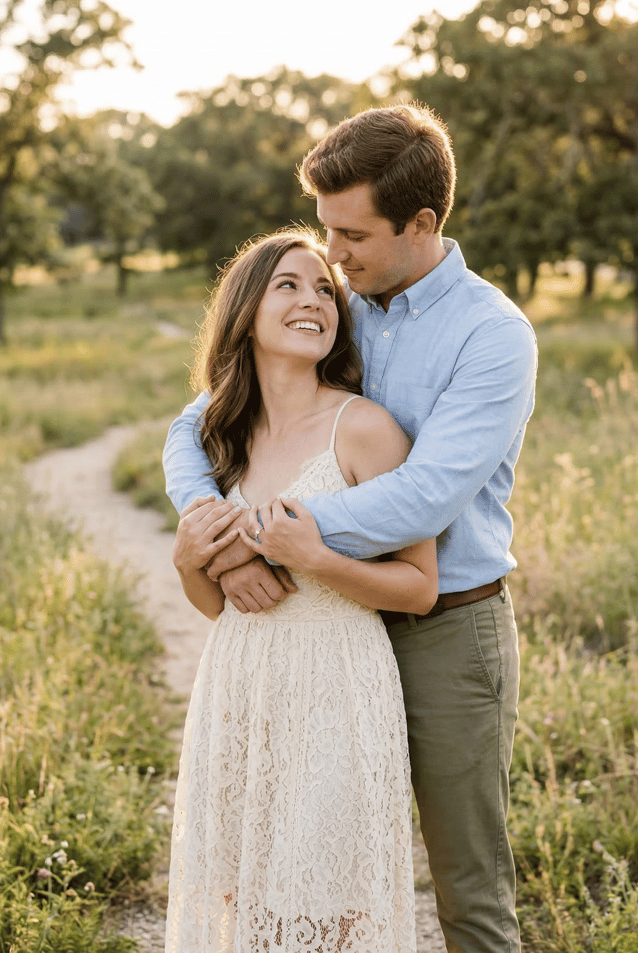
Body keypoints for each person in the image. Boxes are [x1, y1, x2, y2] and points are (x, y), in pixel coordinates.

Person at [164, 103, 538, 953]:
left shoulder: (492, 335)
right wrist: (208, 528)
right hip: (319, 636)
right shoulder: (342, 301)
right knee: (296, 865)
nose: (332, 257)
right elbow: (199, 423)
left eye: (352, 235)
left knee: (466, 887)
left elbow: (425, 498)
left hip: (446, 624)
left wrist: (269, 535)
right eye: (326, 234)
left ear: (421, 224)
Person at [164, 227, 439, 953]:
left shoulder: (366, 429)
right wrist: (193, 561)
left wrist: (314, 556)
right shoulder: (218, 438)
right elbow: (215, 607)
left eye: (325, 289)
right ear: (246, 308)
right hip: (239, 688)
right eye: (289, 284)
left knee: (331, 908)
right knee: (240, 900)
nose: (314, 299)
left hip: (338, 690)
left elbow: (418, 587)